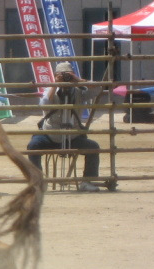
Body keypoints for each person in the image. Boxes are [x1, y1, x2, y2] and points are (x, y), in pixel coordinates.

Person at [27, 61, 103, 192]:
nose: (66, 79)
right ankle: (38, 182)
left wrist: (78, 80)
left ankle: (87, 181)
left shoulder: (80, 92)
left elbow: (98, 89)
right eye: (63, 76)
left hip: (72, 136)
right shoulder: (50, 90)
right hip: (50, 135)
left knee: (93, 147)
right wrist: (56, 85)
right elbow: (44, 104)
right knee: (33, 146)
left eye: (68, 75)